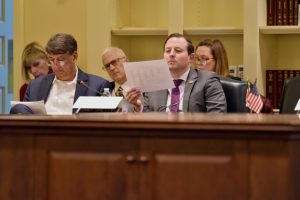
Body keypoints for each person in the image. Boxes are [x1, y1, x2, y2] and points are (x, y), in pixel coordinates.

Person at [10, 33, 110, 114]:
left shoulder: (97, 86)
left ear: (74, 57)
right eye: (51, 60)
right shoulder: (35, 86)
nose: (55, 65)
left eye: (61, 60)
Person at [126, 33, 227, 113]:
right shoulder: (154, 82)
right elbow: (148, 120)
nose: (171, 54)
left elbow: (217, 116)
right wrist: (138, 107)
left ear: (191, 58)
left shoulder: (207, 80)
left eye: (178, 51)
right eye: (167, 51)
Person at [195, 39, 273, 113]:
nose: (198, 63)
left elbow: (266, 106)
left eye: (204, 59)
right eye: (197, 59)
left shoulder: (238, 86)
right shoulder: (193, 83)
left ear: (218, 61)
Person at [101, 47, 137, 112]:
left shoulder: (143, 89)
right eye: (107, 66)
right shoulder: (103, 89)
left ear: (126, 61)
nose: (111, 68)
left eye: (114, 62)